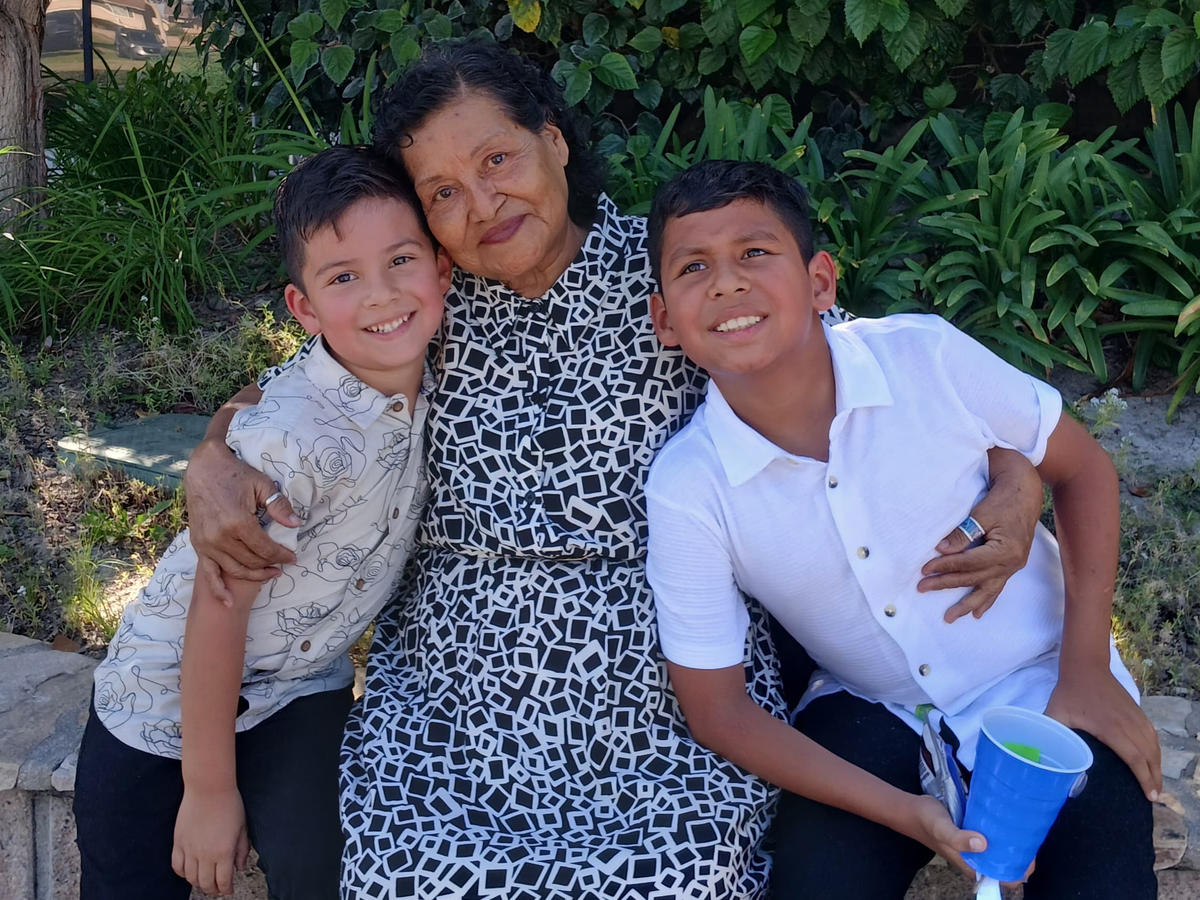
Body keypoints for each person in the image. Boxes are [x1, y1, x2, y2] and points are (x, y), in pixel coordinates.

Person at [181, 40, 1049, 898]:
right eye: (442, 192)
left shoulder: (676, 271)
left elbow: (864, 372)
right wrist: (215, 453)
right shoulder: (418, 300)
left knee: (681, 873)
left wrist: (1018, 477)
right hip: (454, 689)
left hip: (663, 675)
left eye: (497, 160)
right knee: (405, 871)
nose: (482, 204)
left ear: (554, 140)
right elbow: (298, 388)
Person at [643, 159, 1161, 900]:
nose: (726, 282)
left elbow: (1084, 472)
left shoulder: (924, 357)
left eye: (755, 252)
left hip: (1040, 676)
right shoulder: (689, 487)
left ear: (821, 282)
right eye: (693, 267)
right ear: (665, 320)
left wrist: (1086, 673)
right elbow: (717, 710)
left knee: (1103, 875)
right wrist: (904, 813)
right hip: (872, 709)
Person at [72, 145, 448, 900]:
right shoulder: (291, 441)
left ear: (442, 270)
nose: (381, 295)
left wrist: (218, 429)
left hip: (300, 688)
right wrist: (209, 793)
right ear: (303, 309)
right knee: (128, 875)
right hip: (162, 701)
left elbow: (250, 391)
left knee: (332, 865)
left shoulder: (438, 370)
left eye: (401, 261)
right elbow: (218, 607)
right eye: (343, 278)